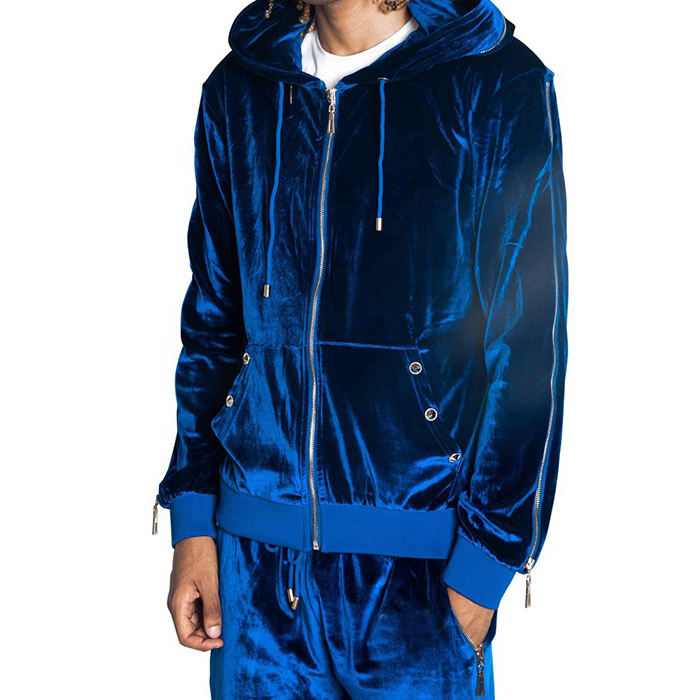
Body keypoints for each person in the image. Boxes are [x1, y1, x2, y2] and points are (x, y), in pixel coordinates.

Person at [154, 0, 568, 697]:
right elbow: (213, 320)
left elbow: (526, 342)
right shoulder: (239, 87)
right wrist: (193, 519)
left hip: (422, 575)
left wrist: (487, 563)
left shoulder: (497, 83)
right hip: (254, 569)